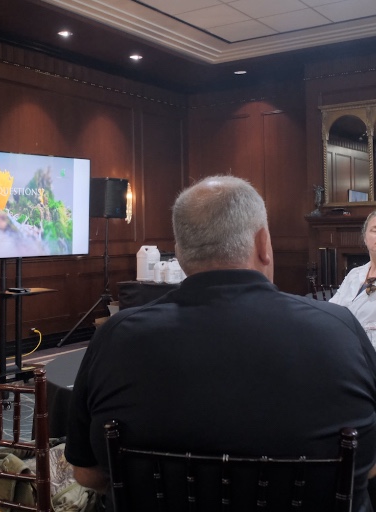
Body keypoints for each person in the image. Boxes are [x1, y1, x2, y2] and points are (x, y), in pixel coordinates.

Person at [64, 175, 376, 511]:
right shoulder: (340, 330)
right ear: (264, 244)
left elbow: (87, 474)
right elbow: (369, 467)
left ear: (180, 254)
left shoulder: (116, 336)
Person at [330, 210, 376, 347]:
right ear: (364, 238)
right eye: (375, 230)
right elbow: (332, 308)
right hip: (343, 346)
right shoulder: (354, 274)